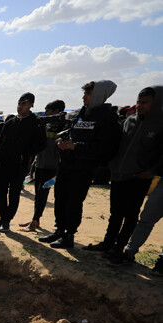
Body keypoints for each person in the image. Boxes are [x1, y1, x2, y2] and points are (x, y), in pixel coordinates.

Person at [40, 80, 122, 248]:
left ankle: (69, 235)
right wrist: (63, 143)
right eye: (84, 93)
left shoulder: (107, 117)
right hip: (67, 164)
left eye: (88, 93)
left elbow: (105, 147)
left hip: (83, 167)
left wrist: (75, 147)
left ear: (98, 95)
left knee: (73, 202)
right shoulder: (82, 113)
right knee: (60, 198)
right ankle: (59, 230)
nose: (84, 97)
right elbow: (72, 133)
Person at [85, 86, 162, 254]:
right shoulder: (130, 120)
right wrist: (112, 165)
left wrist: (151, 171)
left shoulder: (159, 125)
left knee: (131, 215)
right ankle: (108, 243)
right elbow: (118, 145)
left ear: (157, 104)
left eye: (145, 102)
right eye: (138, 102)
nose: (140, 106)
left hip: (139, 177)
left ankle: (119, 248)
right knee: (115, 213)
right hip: (119, 174)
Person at [0, 93, 46, 232]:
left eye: (24, 104)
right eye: (19, 104)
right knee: (0, 191)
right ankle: (2, 218)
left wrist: (27, 154)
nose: (20, 107)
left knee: (14, 192)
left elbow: (41, 144)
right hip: (4, 162)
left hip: (19, 164)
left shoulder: (35, 123)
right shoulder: (11, 122)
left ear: (31, 105)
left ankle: (7, 220)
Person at [20, 100, 65, 232]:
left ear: (56, 111)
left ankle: (35, 222)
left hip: (52, 168)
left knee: (43, 194)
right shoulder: (45, 126)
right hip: (40, 165)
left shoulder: (62, 127)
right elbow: (40, 149)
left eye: (48, 111)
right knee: (38, 194)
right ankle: (36, 219)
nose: (46, 113)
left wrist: (59, 170)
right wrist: (33, 167)